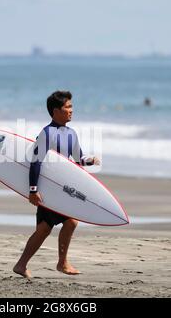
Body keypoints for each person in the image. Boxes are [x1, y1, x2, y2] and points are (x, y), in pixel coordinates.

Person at [13, 90, 100, 278]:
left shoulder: (71, 133)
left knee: (62, 223)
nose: (71, 110)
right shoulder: (47, 133)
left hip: (62, 188)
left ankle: (35, 264)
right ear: (55, 111)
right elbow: (36, 161)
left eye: (71, 106)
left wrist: (89, 160)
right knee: (47, 228)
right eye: (67, 107)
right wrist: (33, 190)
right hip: (48, 189)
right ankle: (54, 263)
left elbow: (77, 159)